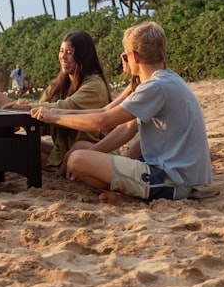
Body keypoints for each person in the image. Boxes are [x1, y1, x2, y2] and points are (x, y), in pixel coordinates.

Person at [30, 21, 212, 203]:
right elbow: (126, 129)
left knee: (77, 159)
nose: (124, 59)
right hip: (176, 176)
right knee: (83, 152)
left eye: (124, 56)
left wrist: (55, 116)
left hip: (169, 180)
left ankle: (124, 195)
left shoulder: (155, 87)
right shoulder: (166, 80)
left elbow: (103, 121)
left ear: (134, 56)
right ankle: (122, 190)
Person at [7, 30, 111, 172]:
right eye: (62, 51)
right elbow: (41, 122)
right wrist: (24, 111)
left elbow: (67, 106)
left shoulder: (94, 86)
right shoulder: (58, 85)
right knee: (17, 145)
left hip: (91, 151)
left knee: (77, 149)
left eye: (69, 52)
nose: (63, 57)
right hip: (63, 151)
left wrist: (30, 107)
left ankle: (65, 169)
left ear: (83, 56)